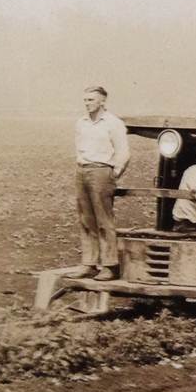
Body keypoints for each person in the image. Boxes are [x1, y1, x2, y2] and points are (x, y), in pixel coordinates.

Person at [70, 86, 129, 280]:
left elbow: (123, 152)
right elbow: (79, 148)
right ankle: (89, 263)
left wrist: (114, 174)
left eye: (91, 100)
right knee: (86, 219)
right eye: (85, 100)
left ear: (102, 101)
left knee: (104, 220)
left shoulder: (113, 123)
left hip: (102, 171)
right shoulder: (81, 123)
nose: (87, 104)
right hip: (83, 171)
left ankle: (109, 265)